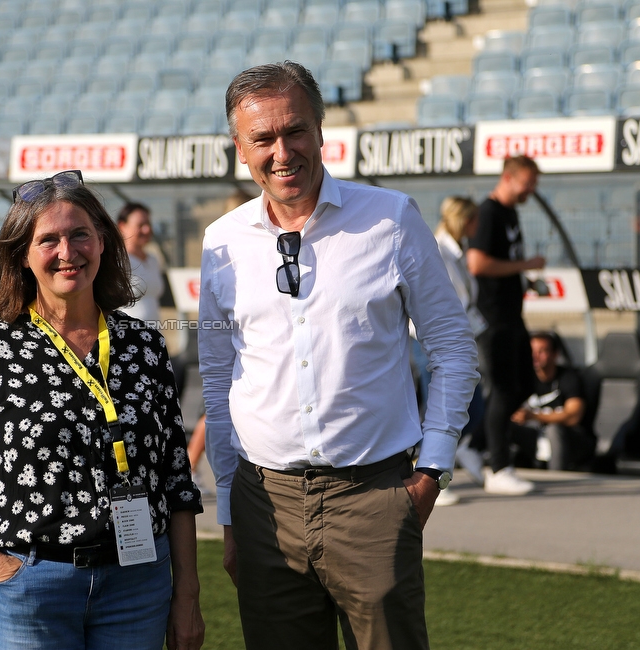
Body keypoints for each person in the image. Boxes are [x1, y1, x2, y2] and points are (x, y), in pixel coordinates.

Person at [198, 61, 478, 650]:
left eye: (295, 130)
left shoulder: (392, 218)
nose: (283, 152)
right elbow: (221, 379)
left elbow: (453, 347)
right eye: (263, 139)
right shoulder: (222, 240)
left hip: (373, 496)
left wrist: (431, 471)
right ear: (239, 149)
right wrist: (229, 511)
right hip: (263, 504)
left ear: (322, 130)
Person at [0, 170, 204, 650]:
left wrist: (188, 597)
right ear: (22, 256)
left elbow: (176, 479)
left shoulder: (142, 345)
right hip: (31, 585)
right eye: (48, 239)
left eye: (80, 235)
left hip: (138, 585)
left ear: (102, 243)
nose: (67, 252)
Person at [467, 155, 547, 496]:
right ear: (509, 177)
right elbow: (478, 263)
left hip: (512, 314)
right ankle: (498, 467)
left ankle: (477, 443)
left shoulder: (511, 212)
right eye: (527, 182)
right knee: (503, 389)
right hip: (493, 317)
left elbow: (505, 262)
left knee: (525, 384)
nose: (531, 189)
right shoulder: (488, 212)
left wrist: (525, 280)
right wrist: (524, 265)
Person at [433, 196, 489, 497]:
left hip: (459, 340)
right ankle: (431, 477)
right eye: (474, 220)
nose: (478, 226)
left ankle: (461, 451)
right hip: (433, 343)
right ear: (464, 221)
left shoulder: (457, 251)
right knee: (442, 411)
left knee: (473, 406)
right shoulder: (437, 250)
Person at [510, 331, 592, 471]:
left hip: (569, 439)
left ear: (555, 354)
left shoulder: (569, 378)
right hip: (534, 436)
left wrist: (533, 416)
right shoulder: (522, 379)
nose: (535, 356)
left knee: (554, 430)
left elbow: (573, 416)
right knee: (501, 425)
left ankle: (556, 475)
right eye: (532, 351)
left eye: (542, 351)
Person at [117, 202, 164, 323]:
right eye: (140, 225)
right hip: (126, 335)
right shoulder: (116, 261)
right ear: (122, 226)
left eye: (148, 224)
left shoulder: (153, 260)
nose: (147, 229)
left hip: (153, 335)